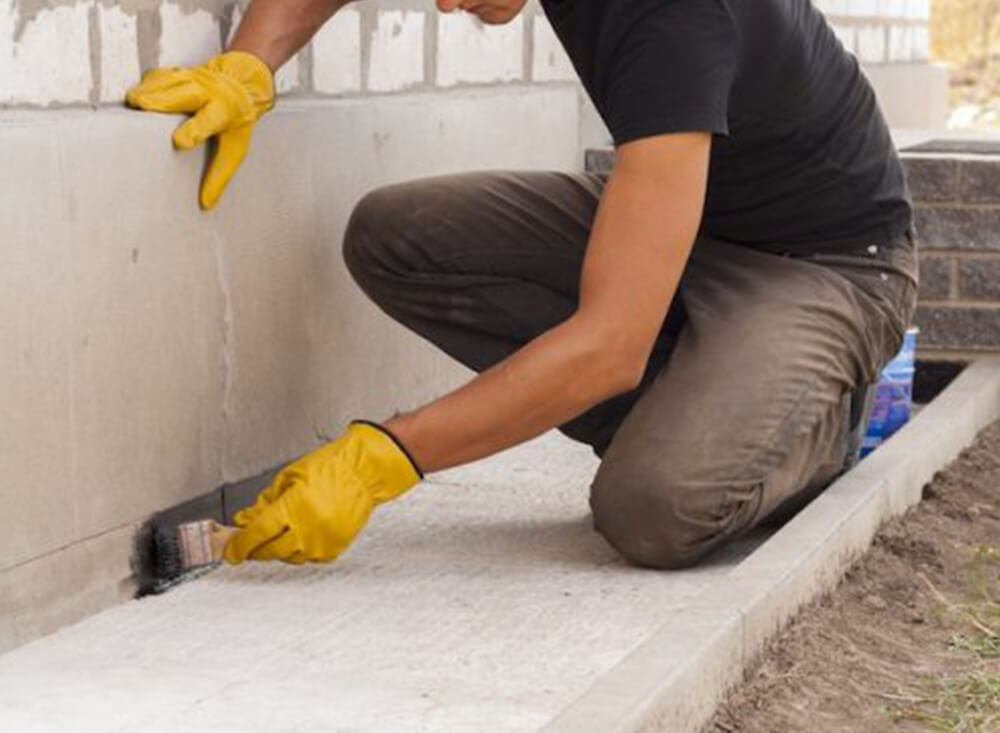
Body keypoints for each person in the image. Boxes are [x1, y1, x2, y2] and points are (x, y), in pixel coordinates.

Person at [127, 0, 918, 569]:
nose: (445, 5)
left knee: (653, 511)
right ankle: (695, 400)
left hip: (826, 265)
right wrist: (249, 64)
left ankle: (810, 426)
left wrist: (384, 458)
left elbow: (609, 348)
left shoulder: (673, 20)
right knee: (397, 238)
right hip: (691, 221)